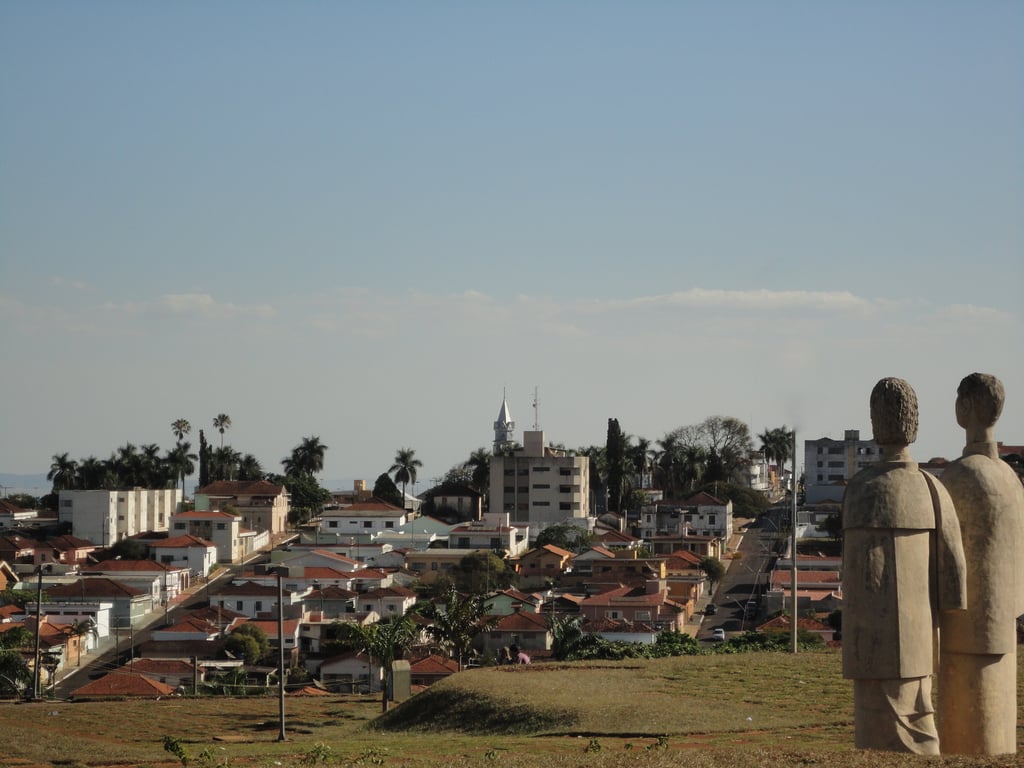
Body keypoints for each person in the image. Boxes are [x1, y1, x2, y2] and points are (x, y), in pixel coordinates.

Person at [842, 377, 967, 754]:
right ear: (914, 424)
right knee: (918, 719)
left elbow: (851, 571)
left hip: (867, 640)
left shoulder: (859, 488)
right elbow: (954, 571)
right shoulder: (931, 487)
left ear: (875, 424)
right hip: (917, 636)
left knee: (874, 731)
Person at [937, 373, 1024, 755]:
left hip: (965, 622)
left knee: (966, 728)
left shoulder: (958, 475)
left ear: (967, 407)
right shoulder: (1012, 478)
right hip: (1005, 619)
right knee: (998, 724)